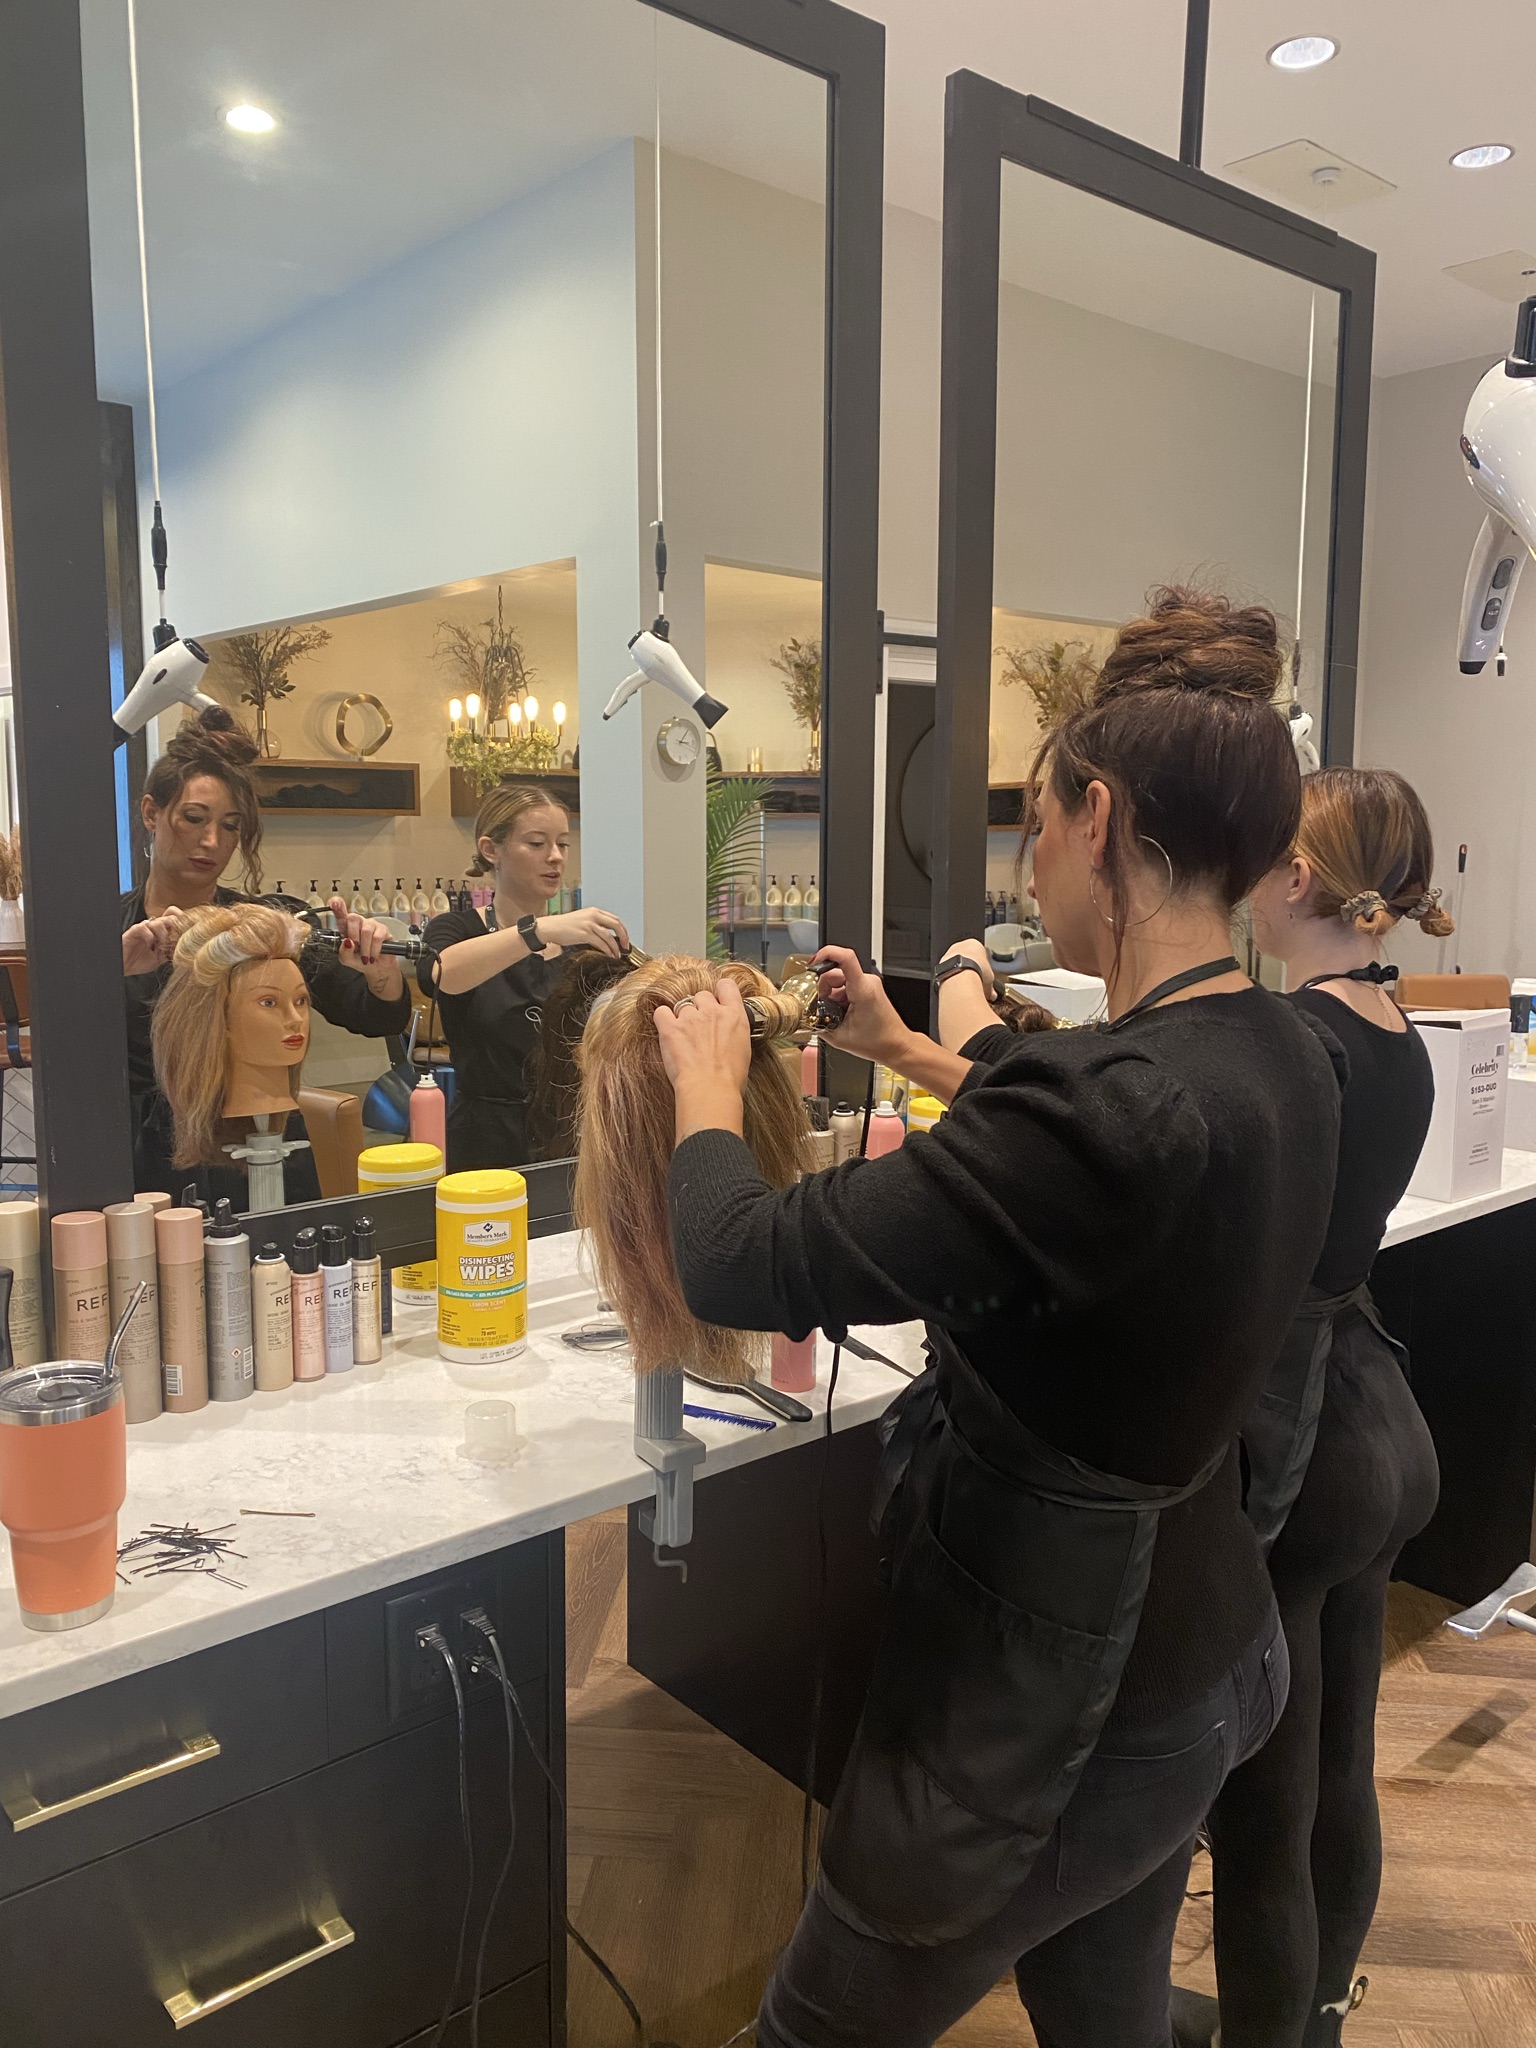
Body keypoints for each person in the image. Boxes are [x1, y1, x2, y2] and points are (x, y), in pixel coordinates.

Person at [654, 588, 1345, 2048]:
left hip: (1058, 1713)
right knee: (1101, 2005)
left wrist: (705, 1088)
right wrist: (907, 1044)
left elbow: (734, 1260)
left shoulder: (1113, 1105)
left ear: (1100, 818)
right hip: (1212, 1647)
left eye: (1035, 823)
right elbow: (1101, 1159)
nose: (1030, 861)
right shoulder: (1279, 1046)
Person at [1170, 770, 1448, 2048]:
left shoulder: (1294, 1037)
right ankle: (1319, 2020)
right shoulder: (1394, 1027)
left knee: (1267, 1807)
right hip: (1380, 1422)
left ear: (1295, 877)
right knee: (1341, 1765)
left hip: (1303, 1449)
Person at [120, 705, 412, 1199]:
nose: (211, 841)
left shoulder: (265, 927)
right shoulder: (110, 934)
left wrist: (380, 974)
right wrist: (115, 968)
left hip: (264, 1140)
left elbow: (374, 1016)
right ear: (152, 813)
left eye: (231, 826)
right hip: (147, 1155)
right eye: (194, 819)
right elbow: (64, 1047)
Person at [418, 784, 630, 1170]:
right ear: (491, 849)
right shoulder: (457, 929)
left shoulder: (584, 944)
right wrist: (537, 931)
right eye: (536, 843)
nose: (555, 856)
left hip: (573, 1136)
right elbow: (441, 974)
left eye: (563, 844)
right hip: (485, 1139)